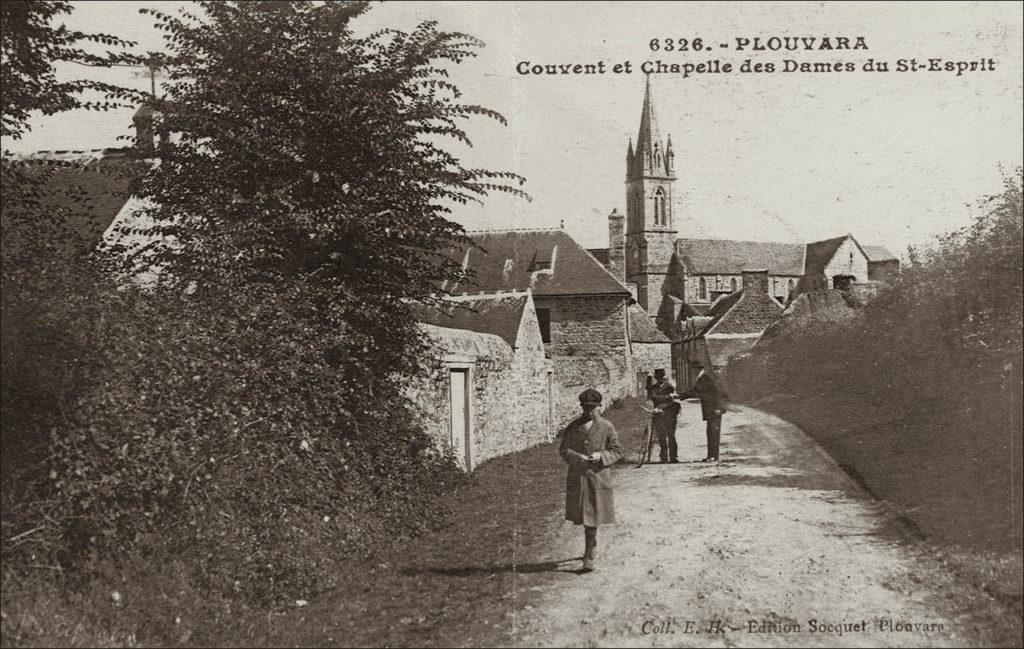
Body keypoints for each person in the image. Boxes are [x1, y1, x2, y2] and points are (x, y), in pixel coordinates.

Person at [558, 388, 622, 572]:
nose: (589, 412)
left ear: (600, 407)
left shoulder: (607, 427)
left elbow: (617, 451)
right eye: (586, 408)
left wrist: (601, 456)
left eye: (593, 408)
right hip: (578, 476)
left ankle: (589, 552)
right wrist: (578, 457)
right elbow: (564, 449)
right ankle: (590, 543)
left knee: (592, 514)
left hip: (598, 477)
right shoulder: (573, 427)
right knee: (583, 514)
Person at [677, 367, 729, 462]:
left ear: (696, 370)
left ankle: (713, 456)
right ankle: (711, 456)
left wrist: (718, 407)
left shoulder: (706, 378)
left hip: (714, 410)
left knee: (713, 433)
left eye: (693, 370)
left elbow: (718, 393)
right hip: (711, 410)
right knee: (711, 432)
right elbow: (698, 391)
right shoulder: (705, 378)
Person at [648, 368, 681, 463]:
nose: (660, 379)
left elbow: (671, 400)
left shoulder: (669, 386)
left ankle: (673, 457)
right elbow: (654, 398)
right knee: (661, 436)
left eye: (661, 377)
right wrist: (666, 397)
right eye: (658, 378)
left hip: (670, 414)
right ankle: (663, 458)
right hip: (658, 414)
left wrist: (663, 402)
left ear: (663, 377)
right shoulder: (653, 388)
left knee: (671, 435)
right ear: (656, 378)